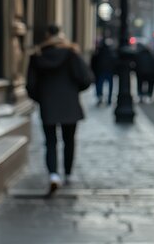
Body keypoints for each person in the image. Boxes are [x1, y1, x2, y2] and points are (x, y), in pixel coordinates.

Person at [26, 24, 92, 193]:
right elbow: (85, 78)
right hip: (69, 103)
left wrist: (42, 98)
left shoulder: (37, 56)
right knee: (69, 141)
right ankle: (68, 173)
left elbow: (30, 86)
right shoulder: (71, 54)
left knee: (50, 142)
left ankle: (54, 174)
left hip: (48, 105)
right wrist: (72, 91)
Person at [90, 38, 116, 106]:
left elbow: (93, 62)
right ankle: (109, 99)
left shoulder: (98, 52)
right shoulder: (111, 52)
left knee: (99, 84)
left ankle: (100, 97)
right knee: (110, 85)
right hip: (109, 71)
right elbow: (114, 61)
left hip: (100, 71)